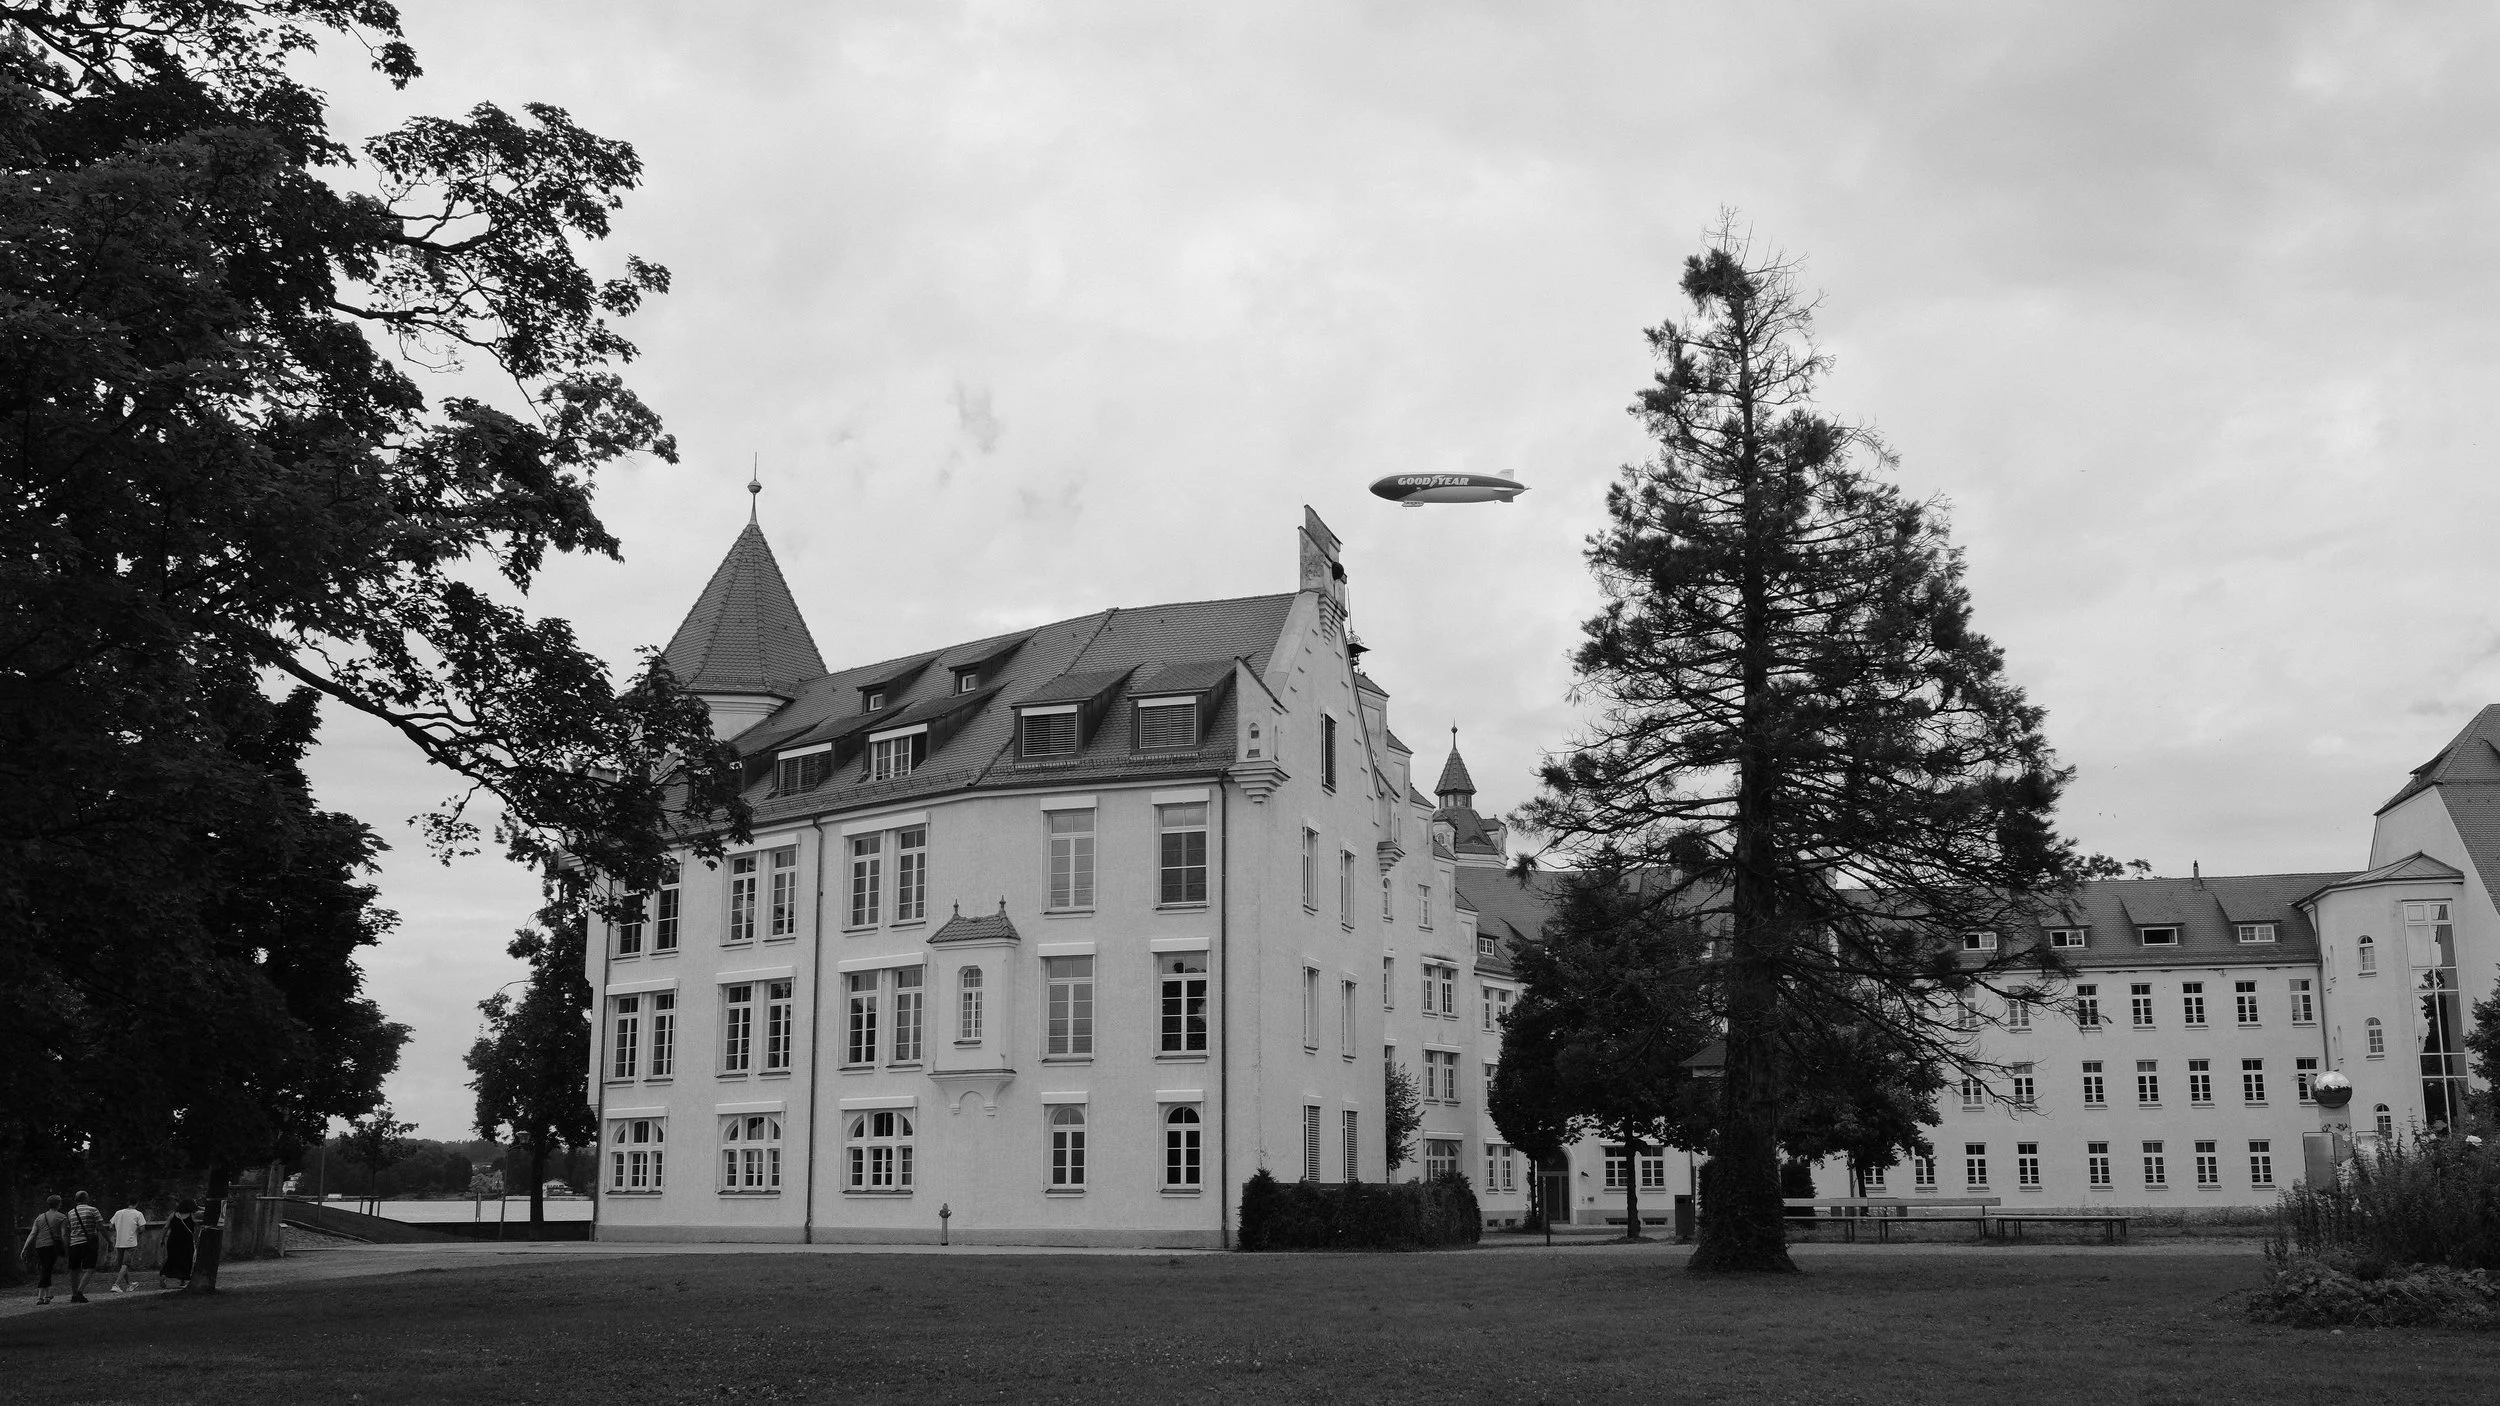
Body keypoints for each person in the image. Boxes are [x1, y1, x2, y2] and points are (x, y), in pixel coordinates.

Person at [19, 1196, 69, 1305]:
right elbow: (64, 1234)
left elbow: (32, 1234)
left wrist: (25, 1248)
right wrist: (66, 1247)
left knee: (46, 1268)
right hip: (52, 1246)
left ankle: (47, 1295)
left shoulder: (40, 1217)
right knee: (46, 1269)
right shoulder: (62, 1217)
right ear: (59, 1204)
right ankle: (40, 1297)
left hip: (40, 1246)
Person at [61, 1191, 107, 1303]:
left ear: (76, 1200)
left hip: (74, 1244)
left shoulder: (70, 1213)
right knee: (90, 1268)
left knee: (74, 1270)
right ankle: (79, 1292)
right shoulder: (93, 1210)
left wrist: (66, 1245)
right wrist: (108, 1240)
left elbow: (68, 1230)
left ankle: (74, 1294)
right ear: (87, 1198)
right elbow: (100, 1226)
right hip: (88, 1243)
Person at [108, 1198, 146, 1293]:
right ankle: (116, 1284)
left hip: (120, 1241)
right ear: (137, 1203)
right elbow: (142, 1229)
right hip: (131, 1242)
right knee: (125, 1264)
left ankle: (129, 1284)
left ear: (128, 1202)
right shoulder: (138, 1214)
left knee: (122, 1265)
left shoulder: (118, 1213)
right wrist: (136, 1230)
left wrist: (120, 1229)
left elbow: (110, 1227)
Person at [159, 1199, 196, 1290]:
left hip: (173, 1241)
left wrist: (162, 1239)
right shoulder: (192, 1215)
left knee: (172, 1258)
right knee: (186, 1259)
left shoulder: (173, 1215)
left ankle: (164, 1274)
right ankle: (183, 1280)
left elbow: (165, 1227)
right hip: (186, 1242)